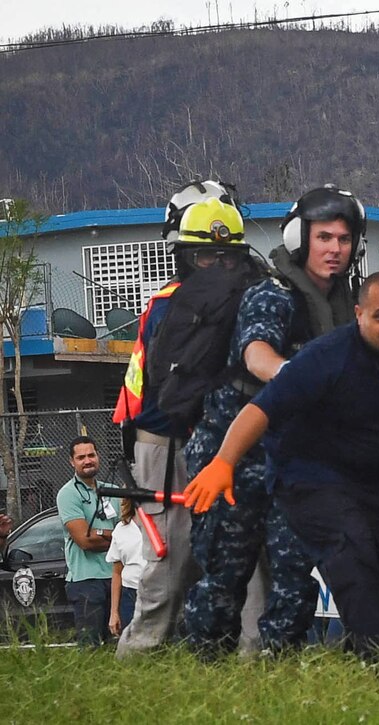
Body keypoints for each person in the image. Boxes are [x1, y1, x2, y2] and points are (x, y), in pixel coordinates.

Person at [183, 272, 379, 657]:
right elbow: (260, 409)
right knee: (351, 549)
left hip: (370, 478)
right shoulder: (326, 357)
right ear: (358, 315)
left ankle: (372, 652)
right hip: (308, 474)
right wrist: (223, 462)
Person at [183, 185, 365, 657]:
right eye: (324, 237)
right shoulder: (273, 292)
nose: (334, 249)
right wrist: (300, 377)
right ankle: (206, 668)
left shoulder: (350, 304)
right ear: (299, 236)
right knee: (223, 576)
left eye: (344, 240)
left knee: (294, 574)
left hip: (296, 457)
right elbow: (256, 352)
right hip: (234, 453)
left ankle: (278, 664)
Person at [112, 180, 238, 656]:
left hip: (200, 441)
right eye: (206, 253)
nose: (217, 262)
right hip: (165, 444)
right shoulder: (171, 304)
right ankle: (139, 658)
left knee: (216, 557)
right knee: (169, 562)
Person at [56, 435, 118, 646]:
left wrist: (99, 534)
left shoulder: (112, 491)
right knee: (90, 644)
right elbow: (84, 541)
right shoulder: (68, 494)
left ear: (98, 456)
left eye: (91, 455)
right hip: (86, 582)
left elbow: (131, 534)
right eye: (81, 457)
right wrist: (115, 538)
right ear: (72, 462)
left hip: (117, 578)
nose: (87, 460)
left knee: (119, 645)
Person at [107, 499, 147, 637]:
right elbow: (117, 572)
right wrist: (114, 612)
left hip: (160, 592)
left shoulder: (164, 524)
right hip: (131, 595)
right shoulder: (121, 529)